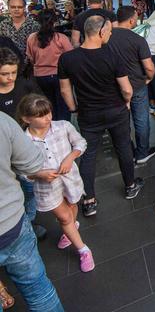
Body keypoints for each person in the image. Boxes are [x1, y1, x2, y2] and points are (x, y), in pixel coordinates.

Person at [58, 15, 143, 217]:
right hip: (116, 110)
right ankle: (130, 186)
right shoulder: (113, 55)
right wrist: (127, 101)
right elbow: (126, 88)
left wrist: (73, 109)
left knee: (88, 154)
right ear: (101, 32)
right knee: (123, 147)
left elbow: (64, 90)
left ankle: (89, 199)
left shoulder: (68, 58)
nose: (111, 34)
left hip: (88, 114)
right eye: (110, 31)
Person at [18, 94, 95, 272]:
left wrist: (70, 157)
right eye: (41, 115)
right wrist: (39, 175)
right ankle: (83, 250)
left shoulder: (63, 126)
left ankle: (70, 230)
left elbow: (81, 143)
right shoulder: (23, 141)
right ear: (26, 119)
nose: (48, 118)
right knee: (64, 217)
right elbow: (21, 171)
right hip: (46, 187)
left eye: (49, 113)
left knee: (72, 206)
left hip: (70, 180)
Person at [0, 112, 64, 311]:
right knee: (39, 293)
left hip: (11, 223)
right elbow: (32, 163)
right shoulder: (2, 121)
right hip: (9, 223)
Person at [0, 48, 47, 241]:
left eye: (13, 72)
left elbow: (41, 104)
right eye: (4, 74)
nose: (10, 77)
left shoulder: (25, 85)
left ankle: (28, 221)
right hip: (5, 154)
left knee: (29, 189)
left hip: (26, 148)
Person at [108, 6, 155, 164]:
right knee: (141, 119)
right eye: (136, 18)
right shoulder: (137, 39)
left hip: (114, 87)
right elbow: (149, 67)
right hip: (136, 84)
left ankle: (127, 152)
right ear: (131, 20)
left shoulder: (105, 37)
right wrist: (149, 78)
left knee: (120, 122)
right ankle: (142, 152)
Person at [26, 10, 73, 121]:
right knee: (63, 104)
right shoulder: (61, 38)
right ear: (54, 22)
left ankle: (51, 126)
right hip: (59, 75)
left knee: (48, 105)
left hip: (40, 76)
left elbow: (31, 58)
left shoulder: (31, 38)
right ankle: (63, 128)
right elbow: (70, 57)